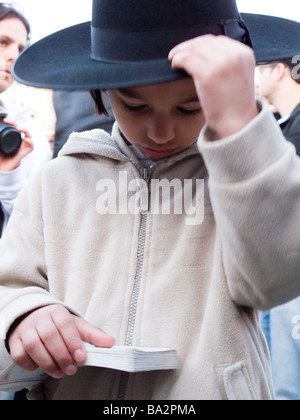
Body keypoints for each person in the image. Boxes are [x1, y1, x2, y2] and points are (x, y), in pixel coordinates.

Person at [1, 0, 300, 400]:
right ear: (103, 88)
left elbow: (276, 279)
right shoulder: (57, 181)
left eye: (190, 105)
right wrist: (26, 313)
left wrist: (241, 130)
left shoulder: (243, 177)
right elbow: (10, 283)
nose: (161, 131)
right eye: (135, 105)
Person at [244, 13, 300, 400]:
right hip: (271, 270)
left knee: (287, 385)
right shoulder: (280, 126)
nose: (255, 76)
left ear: (280, 70)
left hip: (293, 271)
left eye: (261, 67)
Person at [0, 3, 51, 238]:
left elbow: (32, 228)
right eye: (3, 42)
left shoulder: (29, 136)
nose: (13, 55)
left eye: (21, 48)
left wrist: (9, 173)